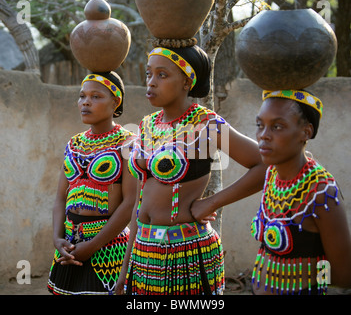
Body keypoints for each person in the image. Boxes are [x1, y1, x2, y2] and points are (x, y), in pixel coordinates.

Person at [115, 39, 267, 295]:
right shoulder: (146, 125)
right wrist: (124, 271)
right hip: (142, 251)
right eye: (149, 73)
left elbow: (264, 166)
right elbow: (140, 200)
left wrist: (211, 202)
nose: (151, 82)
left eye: (162, 75)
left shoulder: (206, 125)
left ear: (188, 82)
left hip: (186, 253)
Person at [250, 89, 351, 295]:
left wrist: (313, 282)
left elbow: (343, 274)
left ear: (306, 132)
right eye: (260, 125)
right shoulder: (271, 174)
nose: (263, 135)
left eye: (277, 127)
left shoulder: (321, 192)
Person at [47, 71, 137, 295]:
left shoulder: (128, 144)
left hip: (108, 246)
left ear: (116, 101)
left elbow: (130, 203)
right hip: (70, 244)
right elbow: (60, 198)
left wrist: (93, 246)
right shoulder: (74, 143)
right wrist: (58, 239)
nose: (86, 102)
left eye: (96, 96)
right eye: (82, 96)